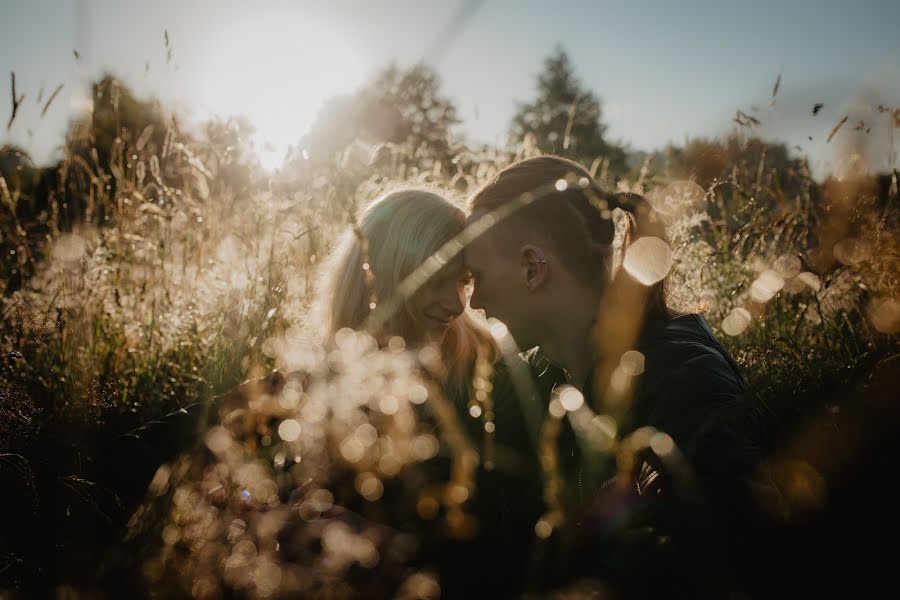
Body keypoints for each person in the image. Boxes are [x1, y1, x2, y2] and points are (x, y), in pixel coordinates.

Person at [97, 188, 544, 598]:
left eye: (463, 279)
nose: (456, 303)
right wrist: (258, 508)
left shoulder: (490, 372)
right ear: (385, 278)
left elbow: (506, 531)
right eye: (436, 279)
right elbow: (139, 452)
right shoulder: (317, 378)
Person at [463, 155, 772, 596]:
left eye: (478, 276)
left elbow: (730, 558)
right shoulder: (541, 374)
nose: (474, 302)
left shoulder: (687, 380)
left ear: (533, 267)